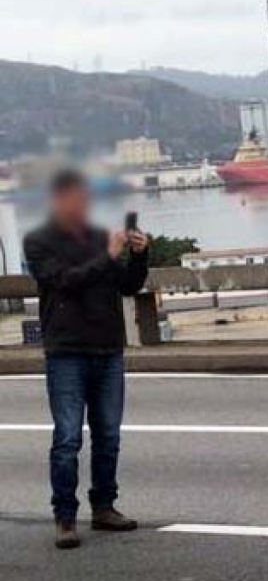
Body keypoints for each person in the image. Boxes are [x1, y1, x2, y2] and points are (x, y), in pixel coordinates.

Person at [23, 169, 151, 550]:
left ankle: (104, 506)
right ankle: (65, 516)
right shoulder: (38, 241)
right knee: (66, 438)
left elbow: (128, 285)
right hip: (66, 352)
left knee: (109, 436)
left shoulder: (99, 237)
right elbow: (65, 281)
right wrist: (107, 255)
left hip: (108, 348)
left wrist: (140, 255)